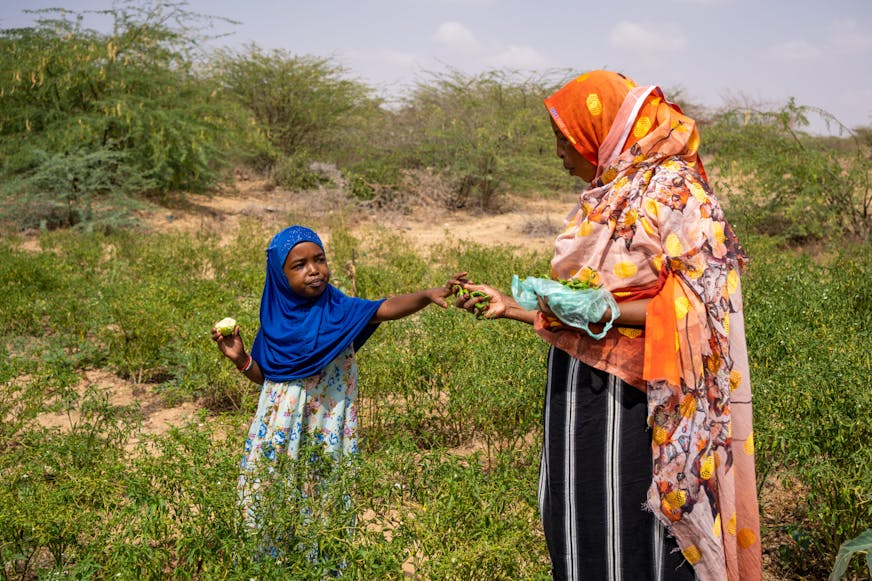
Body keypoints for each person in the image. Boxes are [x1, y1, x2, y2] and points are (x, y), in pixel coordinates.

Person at [454, 70, 762, 580]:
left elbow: (704, 304)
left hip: (647, 399)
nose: (559, 153)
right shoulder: (609, 193)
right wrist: (511, 306)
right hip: (579, 390)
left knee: (644, 524)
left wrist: (602, 309)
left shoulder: (679, 194)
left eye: (563, 139)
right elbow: (583, 306)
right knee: (579, 518)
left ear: (599, 130)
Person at [212, 225, 462, 544]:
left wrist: (426, 296)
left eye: (319, 259)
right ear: (279, 275)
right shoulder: (275, 322)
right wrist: (241, 359)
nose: (314, 271)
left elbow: (383, 308)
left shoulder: (338, 310)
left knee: (321, 505)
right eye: (299, 265)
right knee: (271, 505)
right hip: (279, 433)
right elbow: (268, 377)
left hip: (326, 432)